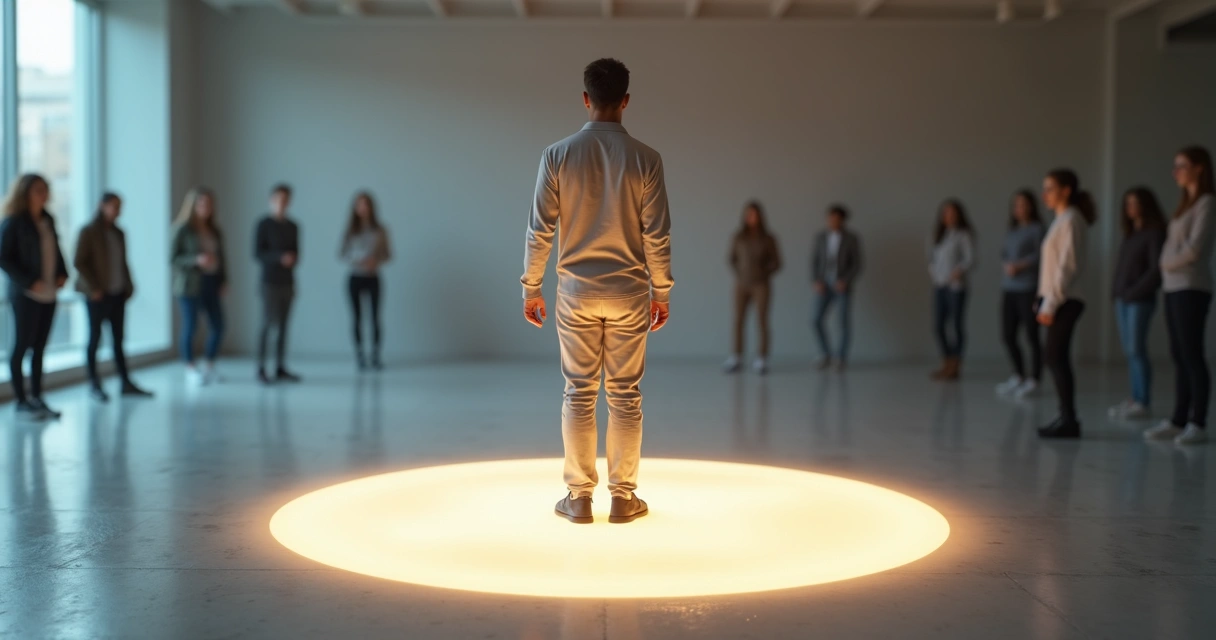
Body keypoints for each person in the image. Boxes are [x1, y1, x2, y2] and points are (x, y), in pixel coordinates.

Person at [520, 58, 672, 525]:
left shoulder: (557, 155)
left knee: (579, 393)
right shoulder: (646, 158)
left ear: (586, 99)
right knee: (625, 395)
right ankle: (624, 498)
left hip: (576, 292)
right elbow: (657, 235)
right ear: (626, 100)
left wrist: (531, 286)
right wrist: (661, 291)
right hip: (629, 291)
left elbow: (540, 230)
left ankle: (579, 497)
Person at [1144, 145, 1215, 446]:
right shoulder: (1185, 205)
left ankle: (1198, 422)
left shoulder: (1207, 203)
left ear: (1199, 168)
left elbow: (1195, 249)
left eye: (1182, 166)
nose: (1176, 172)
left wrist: (1164, 263)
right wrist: (1167, 263)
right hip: (1172, 287)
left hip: (1191, 287)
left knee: (1192, 354)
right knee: (1178, 354)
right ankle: (1178, 419)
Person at [0, 174, 69, 420]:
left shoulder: (47, 219)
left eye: (45, 189)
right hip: (25, 294)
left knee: (39, 348)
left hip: (49, 293)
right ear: (26, 193)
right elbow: (3, 257)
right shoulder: (14, 222)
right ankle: (21, 401)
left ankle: (38, 398)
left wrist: (62, 273)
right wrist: (29, 281)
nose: (44, 194)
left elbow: (56, 252)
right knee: (21, 346)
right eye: (39, 190)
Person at [73, 192, 153, 401]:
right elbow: (79, 261)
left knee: (118, 340)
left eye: (120, 206)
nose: (118, 211)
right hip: (97, 295)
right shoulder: (89, 231)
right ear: (102, 205)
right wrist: (94, 288)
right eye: (114, 206)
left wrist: (129, 285)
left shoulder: (118, 233)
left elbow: (122, 262)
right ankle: (94, 383)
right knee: (95, 338)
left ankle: (125, 381)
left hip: (117, 293)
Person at [1036, 169, 1095, 439]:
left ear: (1066, 190)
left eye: (1050, 188)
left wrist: (1050, 303)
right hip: (1058, 298)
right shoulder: (1062, 220)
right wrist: (1042, 298)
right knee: (1055, 357)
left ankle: (1069, 419)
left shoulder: (1071, 219)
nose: (1045, 195)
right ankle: (1066, 417)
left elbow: (1066, 266)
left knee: (1055, 357)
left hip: (1065, 300)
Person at [1108, 187, 1166, 421]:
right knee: (1130, 351)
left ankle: (1143, 401)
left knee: (1136, 350)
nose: (1130, 208)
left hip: (1139, 300)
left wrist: (1133, 292)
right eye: (1127, 203)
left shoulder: (1154, 234)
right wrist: (1117, 292)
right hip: (1122, 299)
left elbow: (1155, 271)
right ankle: (1135, 398)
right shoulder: (1130, 234)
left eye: (1135, 203)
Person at [171, 187, 227, 385]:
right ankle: (190, 367)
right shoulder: (182, 229)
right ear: (193, 205)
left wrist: (223, 280)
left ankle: (209, 365)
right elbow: (173, 259)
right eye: (202, 203)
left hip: (211, 281)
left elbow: (222, 258)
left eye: (209, 204)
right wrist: (196, 260)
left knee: (218, 325)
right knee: (191, 326)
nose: (206, 207)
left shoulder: (214, 230)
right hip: (190, 284)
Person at [995, 190, 1046, 398]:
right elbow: (1004, 253)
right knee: (1008, 334)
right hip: (1010, 288)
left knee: (1032, 335)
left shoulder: (1037, 229)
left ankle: (1035, 379)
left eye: (1024, 204)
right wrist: (1007, 265)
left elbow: (1041, 255)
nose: (1020, 208)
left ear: (1031, 207)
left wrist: (1021, 266)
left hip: (1029, 288)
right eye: (1016, 205)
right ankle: (1018, 375)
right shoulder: (1012, 230)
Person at [724, 201, 780, 375]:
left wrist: (763, 272)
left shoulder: (768, 238)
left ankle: (762, 358)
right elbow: (731, 258)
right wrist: (740, 272)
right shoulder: (739, 237)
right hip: (742, 284)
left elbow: (777, 262)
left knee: (762, 320)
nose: (752, 218)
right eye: (749, 215)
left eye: (754, 215)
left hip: (761, 284)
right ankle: (736, 356)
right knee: (738, 320)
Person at [254, 183, 301, 384]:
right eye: (278, 199)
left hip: (287, 282)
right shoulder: (263, 224)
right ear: (271, 200)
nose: (282, 203)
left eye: (285, 200)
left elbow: (298, 253)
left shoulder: (293, 226)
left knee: (283, 326)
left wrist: (291, 259)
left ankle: (280, 367)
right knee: (267, 324)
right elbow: (258, 253)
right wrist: (279, 258)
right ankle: (261, 368)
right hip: (269, 282)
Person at [339, 191, 391, 370]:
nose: (363, 208)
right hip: (355, 277)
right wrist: (357, 260)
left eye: (366, 204)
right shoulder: (350, 230)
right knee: (357, 317)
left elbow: (387, 254)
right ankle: (360, 354)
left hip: (373, 277)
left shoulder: (380, 230)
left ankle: (375, 354)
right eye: (359, 205)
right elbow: (342, 254)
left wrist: (376, 261)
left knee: (375, 317)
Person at [927, 199, 975, 380]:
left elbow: (970, 259)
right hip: (940, 285)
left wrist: (959, 271)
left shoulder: (963, 235)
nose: (949, 216)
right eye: (946, 213)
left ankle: (956, 364)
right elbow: (932, 258)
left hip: (956, 287)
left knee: (956, 325)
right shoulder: (939, 235)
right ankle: (946, 361)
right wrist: (933, 272)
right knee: (938, 326)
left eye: (953, 213)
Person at [811, 204, 862, 372]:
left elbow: (857, 264)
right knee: (816, 319)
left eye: (836, 219)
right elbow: (814, 260)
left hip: (841, 285)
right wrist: (816, 280)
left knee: (843, 322)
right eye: (830, 218)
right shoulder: (821, 237)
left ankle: (840, 357)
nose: (832, 221)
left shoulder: (851, 238)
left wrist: (845, 280)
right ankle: (826, 353)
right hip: (824, 283)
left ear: (843, 220)